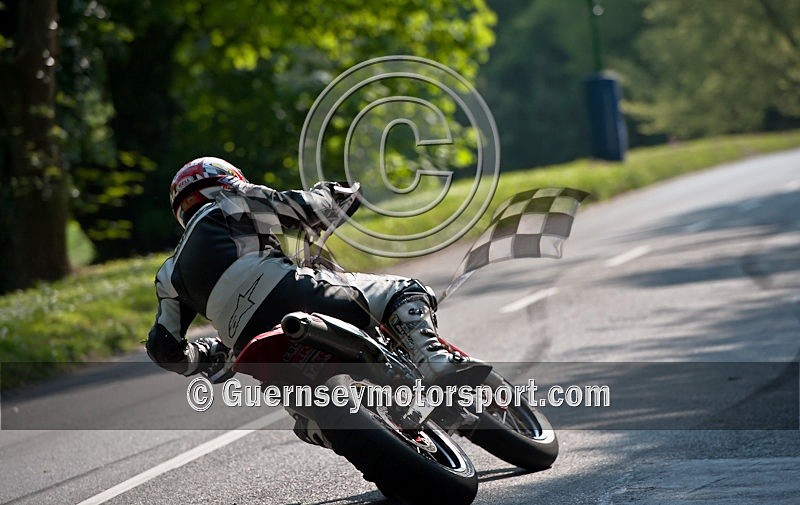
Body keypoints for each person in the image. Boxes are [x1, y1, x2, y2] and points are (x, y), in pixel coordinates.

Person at [146, 156, 490, 386]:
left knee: (301, 409)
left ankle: (319, 427)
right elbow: (303, 209)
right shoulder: (231, 200)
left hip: (247, 343)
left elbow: (165, 349)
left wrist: (204, 355)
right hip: (292, 296)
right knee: (402, 291)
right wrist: (334, 193)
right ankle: (434, 362)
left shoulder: (168, 273)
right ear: (222, 182)